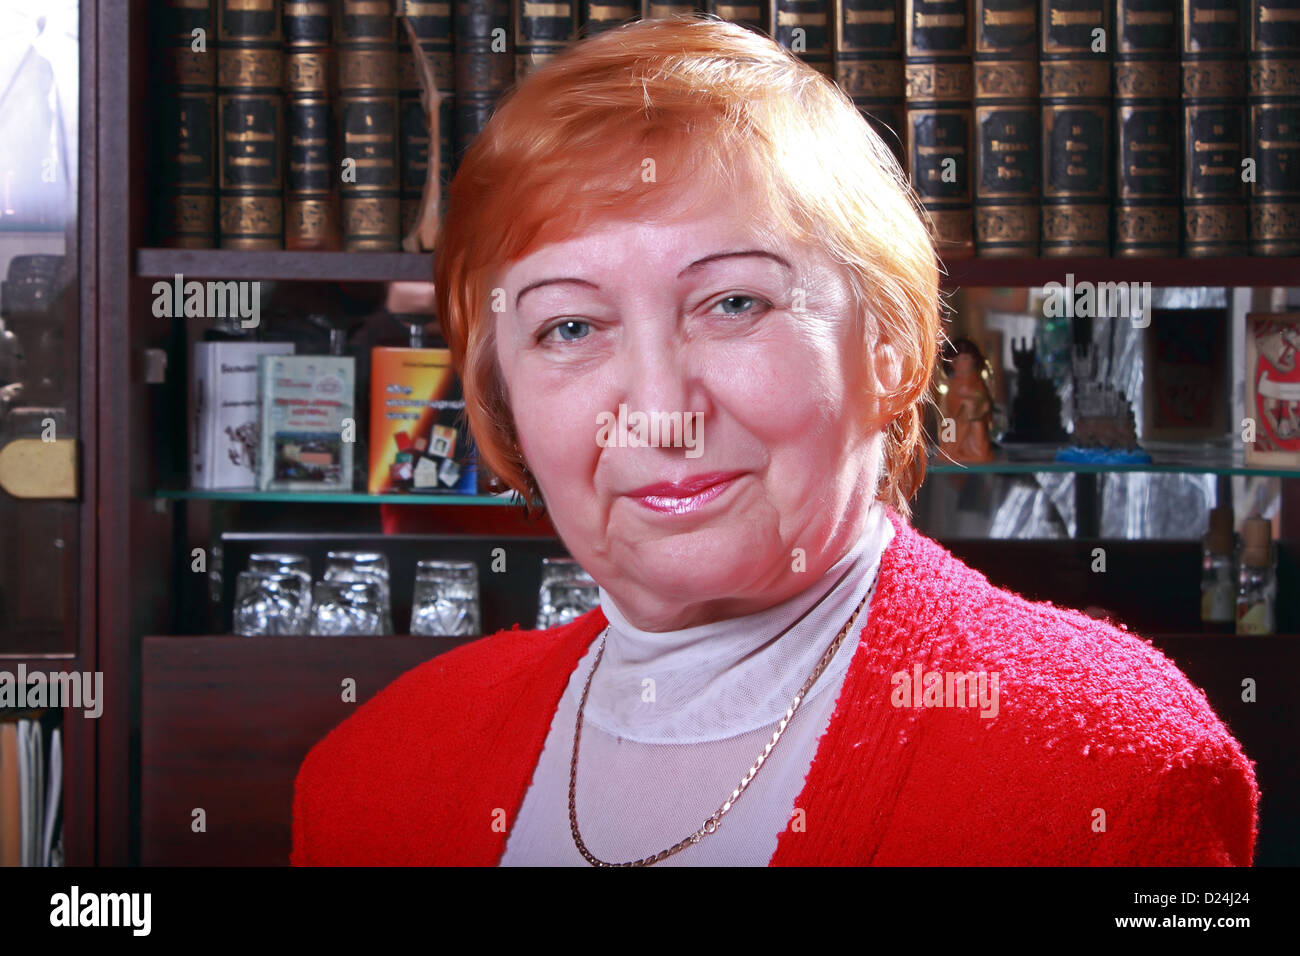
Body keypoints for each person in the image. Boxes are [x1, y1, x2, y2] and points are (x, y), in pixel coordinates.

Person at [291, 17, 1258, 866]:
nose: (660, 407)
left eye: (734, 303)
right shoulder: (370, 775)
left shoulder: (1108, 765)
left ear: (889, 347)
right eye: (571, 328)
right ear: (504, 399)